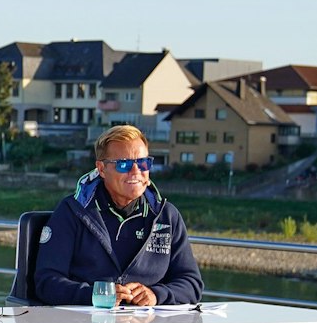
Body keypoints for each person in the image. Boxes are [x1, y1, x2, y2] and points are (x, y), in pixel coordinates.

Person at [33, 124, 202, 307]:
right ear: (102, 169)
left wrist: (156, 295)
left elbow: (191, 284)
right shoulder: (72, 212)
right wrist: (96, 295)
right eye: (124, 164)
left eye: (143, 163)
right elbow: (46, 282)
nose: (136, 172)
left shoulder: (167, 216)